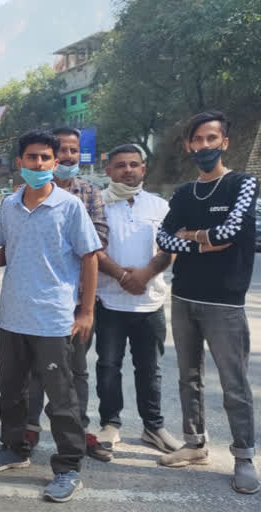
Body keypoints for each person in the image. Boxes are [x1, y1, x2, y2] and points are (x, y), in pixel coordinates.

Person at [0, 129, 101, 503]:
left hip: (52, 319)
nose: (40, 164)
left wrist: (87, 310)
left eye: (46, 158)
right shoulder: (10, 205)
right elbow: (6, 252)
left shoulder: (69, 206)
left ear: (55, 162)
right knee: (11, 393)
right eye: (32, 158)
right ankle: (14, 449)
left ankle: (67, 467)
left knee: (61, 399)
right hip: (12, 317)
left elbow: (90, 256)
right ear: (19, 162)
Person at [156, 111, 259, 494]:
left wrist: (193, 235)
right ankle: (195, 443)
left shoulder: (243, 183)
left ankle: (244, 457)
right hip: (183, 297)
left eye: (211, 139)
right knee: (188, 377)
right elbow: (164, 238)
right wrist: (206, 240)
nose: (203, 146)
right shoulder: (185, 193)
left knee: (234, 384)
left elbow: (231, 233)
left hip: (224, 302)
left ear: (224, 142)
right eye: (197, 140)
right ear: (189, 145)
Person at [24, 126, 110, 461]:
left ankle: (79, 431)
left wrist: (85, 310)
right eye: (61, 151)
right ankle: (29, 429)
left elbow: (96, 245)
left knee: (75, 373)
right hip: (35, 302)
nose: (66, 157)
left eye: (73, 151)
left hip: (73, 303)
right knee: (33, 372)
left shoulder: (87, 194)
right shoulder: (24, 196)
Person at [92, 144, 180, 460]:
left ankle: (153, 426)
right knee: (108, 366)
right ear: (109, 171)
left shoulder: (160, 206)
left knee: (150, 369)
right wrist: (121, 275)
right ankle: (110, 425)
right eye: (120, 165)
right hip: (109, 302)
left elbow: (169, 248)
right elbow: (91, 248)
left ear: (143, 169)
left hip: (150, 302)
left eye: (133, 164)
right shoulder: (97, 203)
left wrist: (143, 276)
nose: (127, 170)